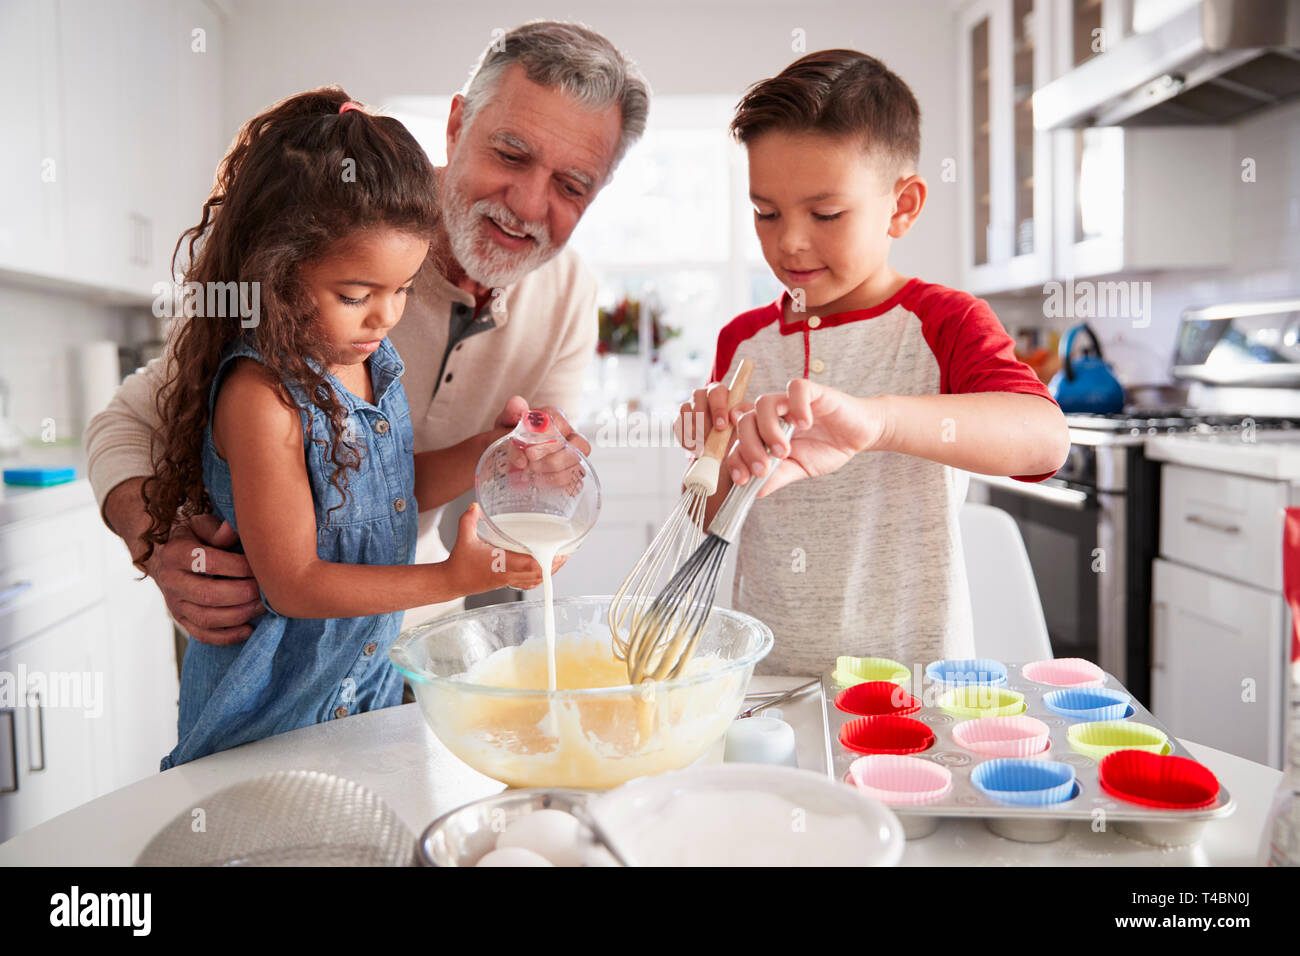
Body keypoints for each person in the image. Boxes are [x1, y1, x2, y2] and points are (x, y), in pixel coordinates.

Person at [84, 21, 650, 647]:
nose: (527, 203)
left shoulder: (571, 297)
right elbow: (126, 422)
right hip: (262, 651)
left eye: (572, 185)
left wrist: (524, 461)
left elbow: (414, 481)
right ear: (458, 123)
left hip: (405, 644)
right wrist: (159, 545)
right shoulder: (316, 240)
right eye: (511, 155)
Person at [141, 90, 583, 768]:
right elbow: (294, 582)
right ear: (277, 274)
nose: (384, 317)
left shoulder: (368, 365)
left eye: (402, 289)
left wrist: (490, 453)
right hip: (269, 717)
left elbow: (389, 485)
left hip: (361, 695)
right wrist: (447, 578)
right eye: (356, 296)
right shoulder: (261, 398)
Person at [678, 50, 1070, 677]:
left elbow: (1045, 442)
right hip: (770, 684)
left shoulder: (945, 322)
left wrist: (880, 422)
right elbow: (707, 519)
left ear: (903, 207)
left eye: (825, 213)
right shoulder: (743, 344)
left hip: (914, 690)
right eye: (766, 212)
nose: (789, 241)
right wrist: (714, 467)